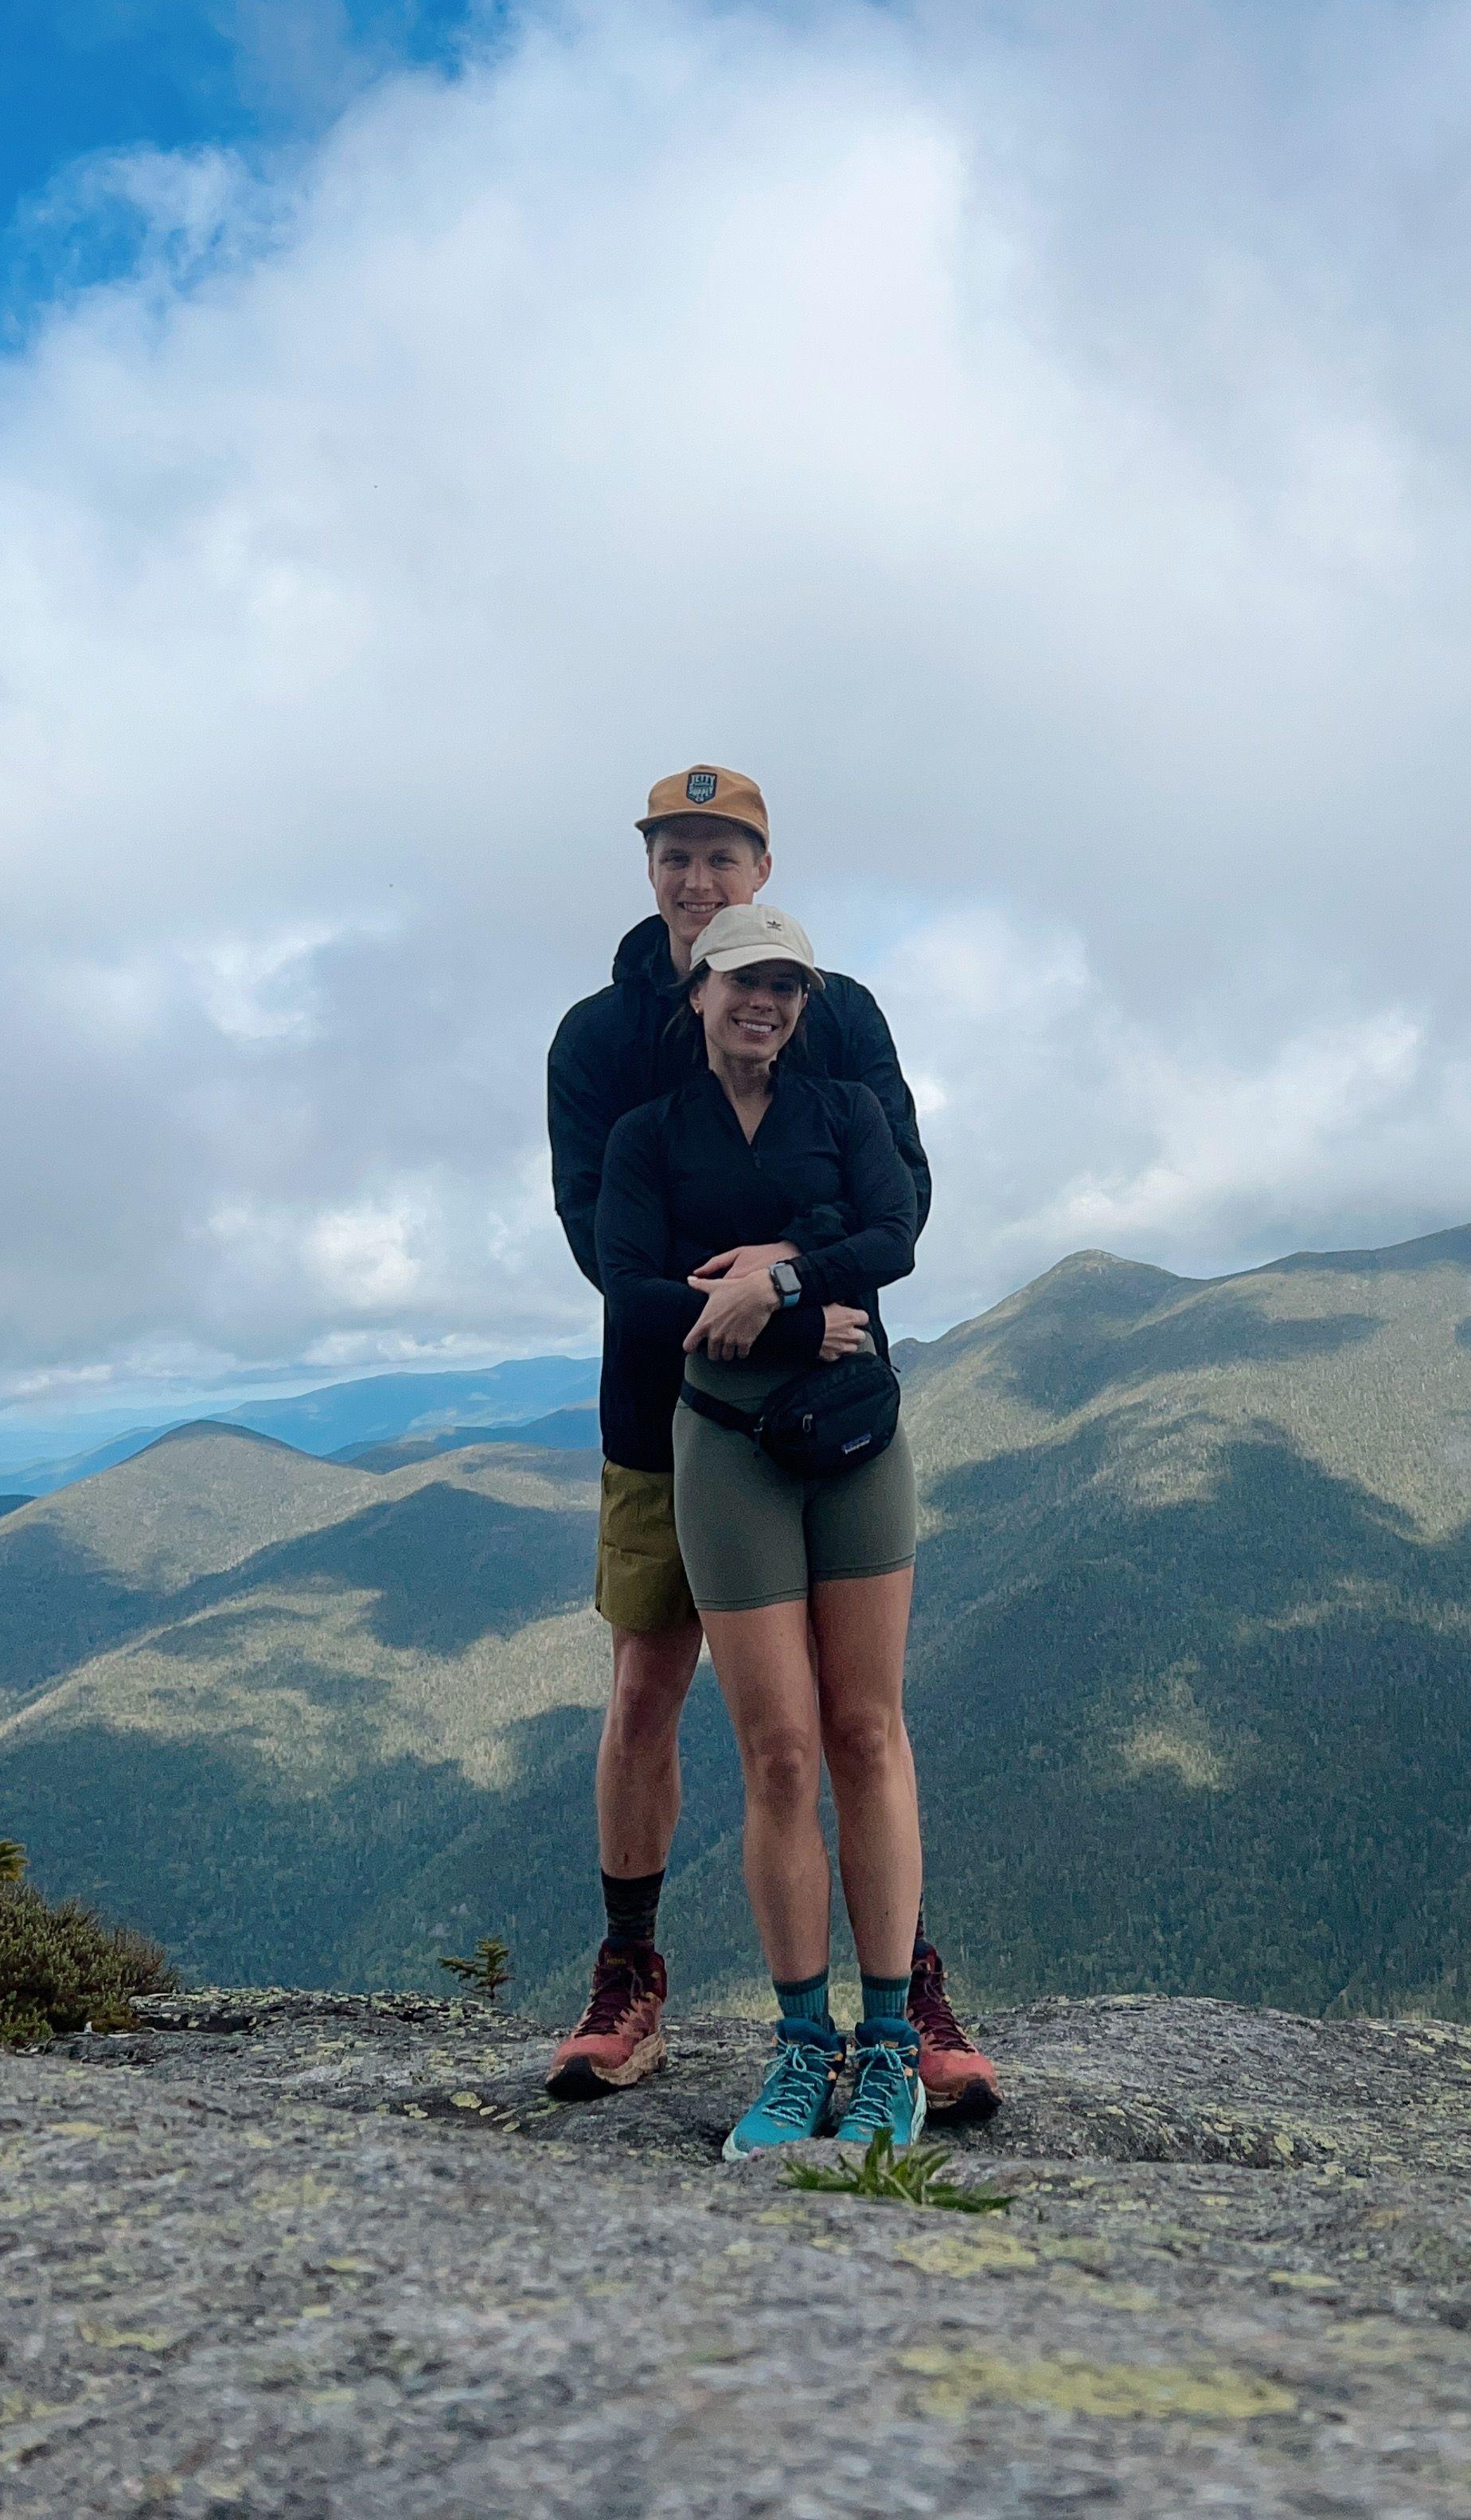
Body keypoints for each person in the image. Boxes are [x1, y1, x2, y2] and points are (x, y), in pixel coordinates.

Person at [540, 767, 997, 2120]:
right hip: (661, 1412)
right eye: (674, 857)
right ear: (649, 871)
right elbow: (596, 1242)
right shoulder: (599, 1041)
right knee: (648, 1691)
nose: (697, 881)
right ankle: (629, 1977)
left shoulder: (836, 1014)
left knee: (849, 1721)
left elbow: (898, 1198)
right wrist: (733, 1304)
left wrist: (783, 1277)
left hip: (828, 1406)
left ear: (764, 867)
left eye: (721, 856)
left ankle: (902, 1986)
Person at [591, 901, 930, 2155]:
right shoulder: (646, 1135)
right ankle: (802, 2053)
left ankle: (888, 2048)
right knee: (779, 1752)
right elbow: (630, 1291)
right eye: (743, 980)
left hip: (852, 1439)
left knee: (866, 1729)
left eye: (786, 984)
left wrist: (778, 1273)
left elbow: (893, 1234)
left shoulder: (840, 1109)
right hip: (725, 1447)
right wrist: (795, 1311)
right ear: (700, 993)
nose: (766, 1002)